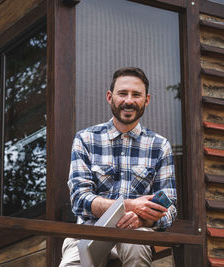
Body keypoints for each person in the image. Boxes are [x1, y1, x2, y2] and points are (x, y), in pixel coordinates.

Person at [59, 67, 177, 267]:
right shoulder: (86, 139)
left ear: (146, 100)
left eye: (136, 95)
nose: (129, 101)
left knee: (137, 245)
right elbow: (79, 200)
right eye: (122, 93)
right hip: (89, 232)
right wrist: (130, 206)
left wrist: (142, 220)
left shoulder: (160, 146)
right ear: (109, 97)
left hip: (138, 233)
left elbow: (170, 207)